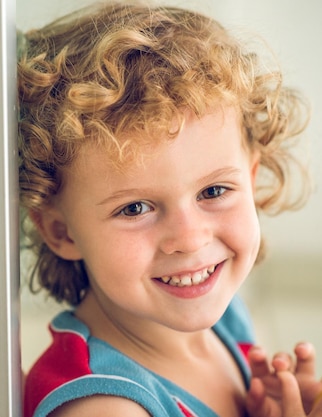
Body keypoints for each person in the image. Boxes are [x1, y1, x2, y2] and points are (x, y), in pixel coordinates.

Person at [18, 1, 312, 416]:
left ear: (251, 177)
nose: (189, 238)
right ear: (61, 232)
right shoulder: (104, 406)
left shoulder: (224, 319)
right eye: (135, 208)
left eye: (213, 191)